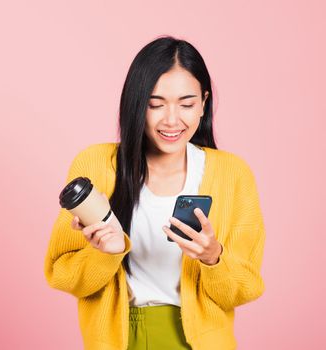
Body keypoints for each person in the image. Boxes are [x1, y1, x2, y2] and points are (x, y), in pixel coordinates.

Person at [43, 35, 266, 350]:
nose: (172, 119)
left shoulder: (233, 174)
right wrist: (104, 253)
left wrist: (212, 257)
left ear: (204, 103)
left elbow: (245, 289)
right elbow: (62, 274)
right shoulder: (96, 164)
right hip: (117, 339)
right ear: (136, 104)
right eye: (155, 104)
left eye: (187, 104)